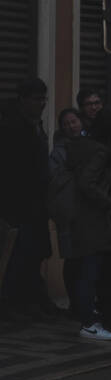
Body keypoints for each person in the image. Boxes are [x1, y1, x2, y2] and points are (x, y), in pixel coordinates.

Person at [65, 108, 111, 340]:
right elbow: (86, 182)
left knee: (88, 270)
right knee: (91, 271)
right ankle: (89, 322)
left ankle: (91, 318)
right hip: (93, 219)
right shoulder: (100, 152)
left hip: (82, 218)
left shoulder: (81, 146)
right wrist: (110, 204)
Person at [0, 78, 57, 320]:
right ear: (23, 100)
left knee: (34, 254)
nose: (42, 104)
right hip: (18, 205)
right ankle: (16, 304)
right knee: (18, 256)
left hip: (36, 204)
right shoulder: (12, 127)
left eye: (44, 99)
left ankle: (33, 301)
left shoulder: (35, 125)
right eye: (37, 99)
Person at [47, 108, 84, 317]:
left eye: (74, 121)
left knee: (85, 260)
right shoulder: (58, 153)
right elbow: (53, 180)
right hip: (67, 212)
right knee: (72, 260)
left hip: (86, 214)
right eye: (66, 123)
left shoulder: (90, 146)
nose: (71, 126)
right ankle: (74, 305)